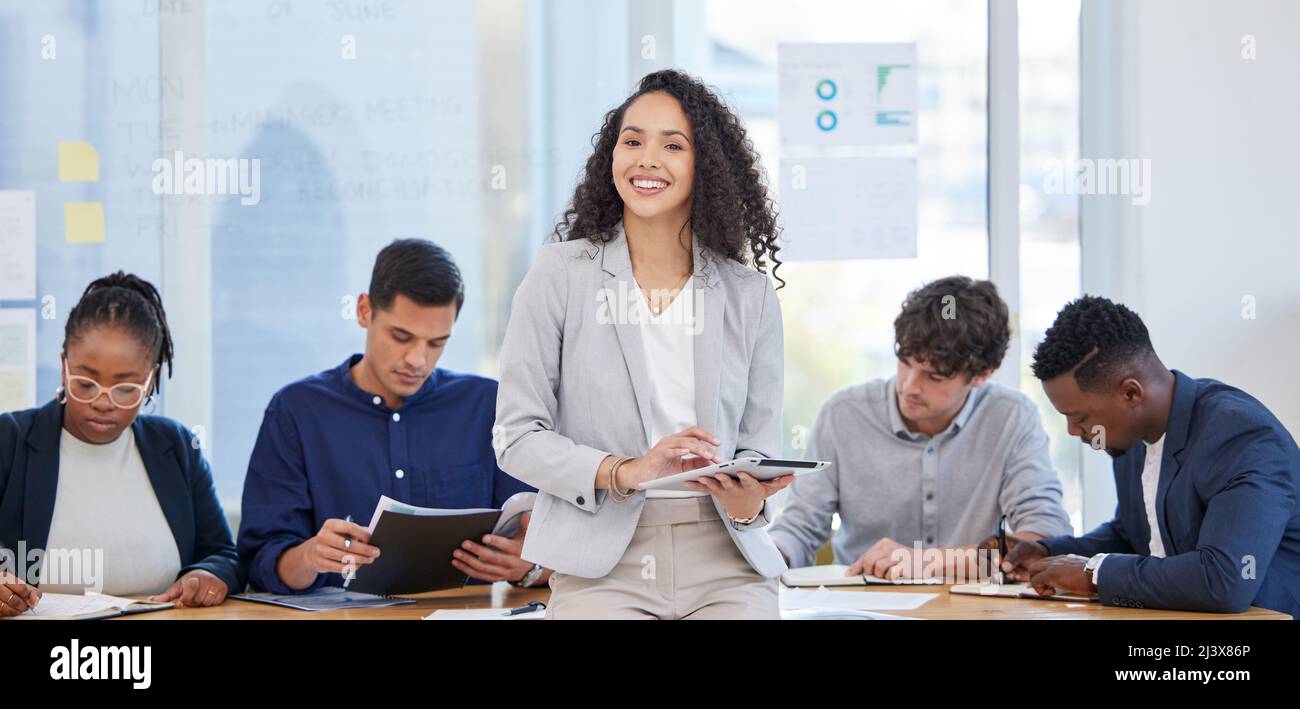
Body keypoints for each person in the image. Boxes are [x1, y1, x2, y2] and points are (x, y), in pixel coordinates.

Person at [494, 69, 792, 619]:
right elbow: (517, 437)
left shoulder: (748, 294)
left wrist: (750, 501)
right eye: (632, 141)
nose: (647, 159)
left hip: (725, 557)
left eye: (673, 145)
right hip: (603, 558)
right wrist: (625, 470)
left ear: (707, 168)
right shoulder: (561, 274)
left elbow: (759, 444)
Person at [237, 239, 541, 594]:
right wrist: (309, 557)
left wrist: (530, 566)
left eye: (436, 343)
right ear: (364, 311)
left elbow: (550, 543)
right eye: (401, 336)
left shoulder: (488, 406)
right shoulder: (297, 411)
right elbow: (258, 564)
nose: (417, 360)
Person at [998, 295, 1300, 616]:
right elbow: (1130, 537)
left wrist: (1095, 575)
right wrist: (1045, 552)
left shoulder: (1241, 436)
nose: (1073, 431)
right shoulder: (1133, 440)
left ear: (1130, 393)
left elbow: (1224, 580)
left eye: (1081, 417)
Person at [770, 276, 1073, 581]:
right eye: (905, 361)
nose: (910, 386)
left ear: (981, 375)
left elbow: (1046, 538)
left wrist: (928, 561)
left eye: (934, 376)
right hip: (862, 603)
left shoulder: (1011, 417)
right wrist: (766, 556)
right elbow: (799, 527)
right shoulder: (843, 415)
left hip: (972, 606)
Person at [0, 272, 243, 616]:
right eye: (85, 383)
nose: (103, 401)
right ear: (63, 367)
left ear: (151, 380)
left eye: (125, 388)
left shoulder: (176, 446)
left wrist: (207, 575)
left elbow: (223, 554)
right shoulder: (9, 440)